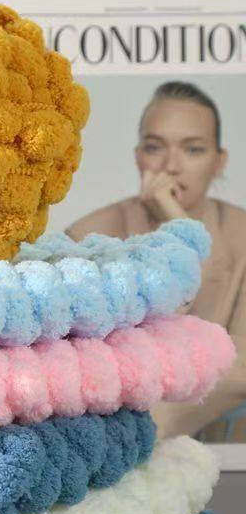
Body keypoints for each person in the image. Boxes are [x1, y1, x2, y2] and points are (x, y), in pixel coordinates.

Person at [67, 81, 246, 439]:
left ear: (219, 161)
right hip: (110, 429)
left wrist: (180, 230)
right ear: (138, 156)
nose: (171, 166)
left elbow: (240, 365)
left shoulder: (242, 234)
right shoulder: (87, 235)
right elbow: (81, 362)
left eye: (193, 149)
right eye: (154, 147)